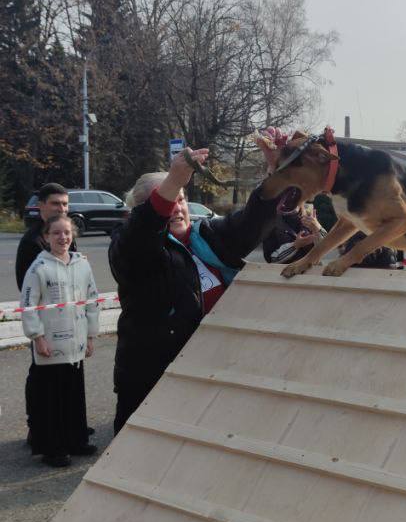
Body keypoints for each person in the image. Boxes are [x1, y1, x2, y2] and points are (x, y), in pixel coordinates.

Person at [109, 146, 282, 433]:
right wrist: (173, 180)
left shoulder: (207, 236)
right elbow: (141, 235)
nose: (177, 207)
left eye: (181, 199)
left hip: (213, 370)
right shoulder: (128, 247)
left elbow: (252, 222)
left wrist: (276, 173)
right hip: (154, 377)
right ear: (141, 210)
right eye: (169, 200)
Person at [20, 214, 99, 467]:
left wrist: (90, 336)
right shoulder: (38, 268)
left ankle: (76, 441)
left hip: (75, 345)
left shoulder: (82, 265)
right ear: (46, 237)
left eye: (66, 232)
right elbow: (28, 305)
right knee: (51, 400)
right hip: (51, 347)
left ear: (73, 234)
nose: (62, 237)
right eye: (56, 233)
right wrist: (37, 337)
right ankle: (53, 449)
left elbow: (92, 301)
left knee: (73, 396)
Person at [15, 182, 75, 290]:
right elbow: (25, 286)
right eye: (55, 203)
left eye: (65, 204)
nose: (62, 209)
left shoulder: (68, 235)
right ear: (41, 205)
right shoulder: (31, 241)